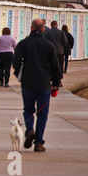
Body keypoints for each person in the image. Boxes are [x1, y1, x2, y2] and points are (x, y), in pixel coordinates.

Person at [13, 19, 61, 152]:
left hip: (28, 83)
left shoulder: (24, 44)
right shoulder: (49, 45)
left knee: (28, 109)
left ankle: (29, 130)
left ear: (31, 28)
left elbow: (16, 61)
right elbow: (56, 66)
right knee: (42, 113)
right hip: (44, 84)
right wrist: (56, 83)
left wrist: (19, 74)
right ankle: (39, 142)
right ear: (43, 29)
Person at [45, 21, 68, 86]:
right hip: (60, 52)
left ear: (51, 25)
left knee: (51, 66)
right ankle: (59, 81)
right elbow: (65, 41)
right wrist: (61, 47)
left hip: (51, 52)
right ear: (57, 25)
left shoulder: (48, 33)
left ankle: (50, 80)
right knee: (60, 66)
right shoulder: (61, 32)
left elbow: (46, 42)